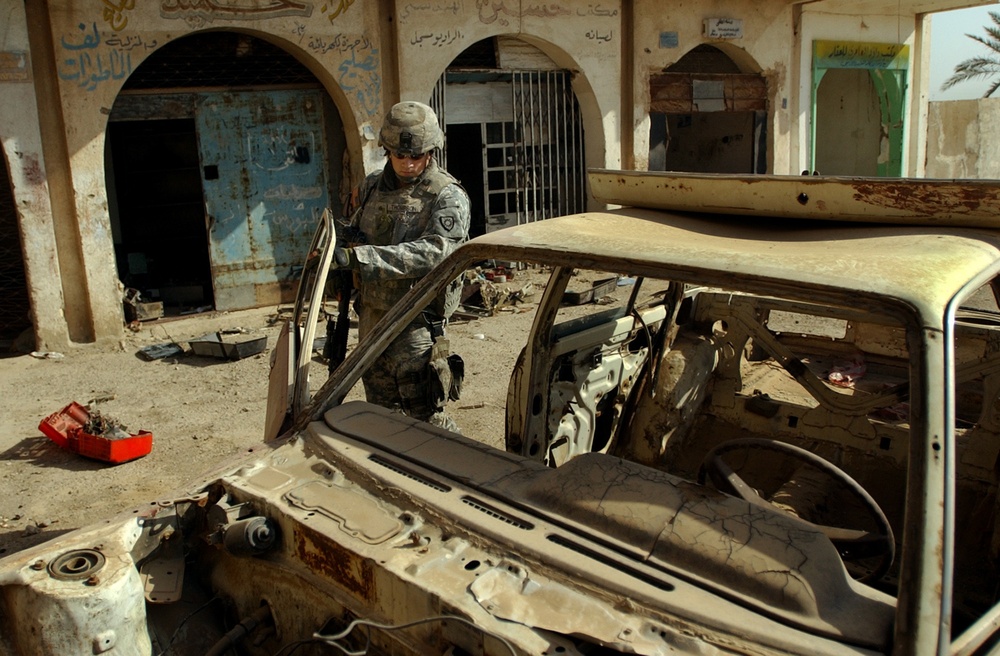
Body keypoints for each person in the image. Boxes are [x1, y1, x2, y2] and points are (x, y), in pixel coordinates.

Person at [333, 101, 470, 431]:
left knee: (427, 417)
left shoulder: (446, 195)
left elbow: (437, 252)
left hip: (416, 322)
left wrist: (362, 258)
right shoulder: (371, 186)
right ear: (387, 151)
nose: (408, 164)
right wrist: (337, 241)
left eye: (417, 156)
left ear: (431, 151)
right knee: (380, 415)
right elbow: (359, 232)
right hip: (371, 316)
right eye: (400, 155)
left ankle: (455, 471)